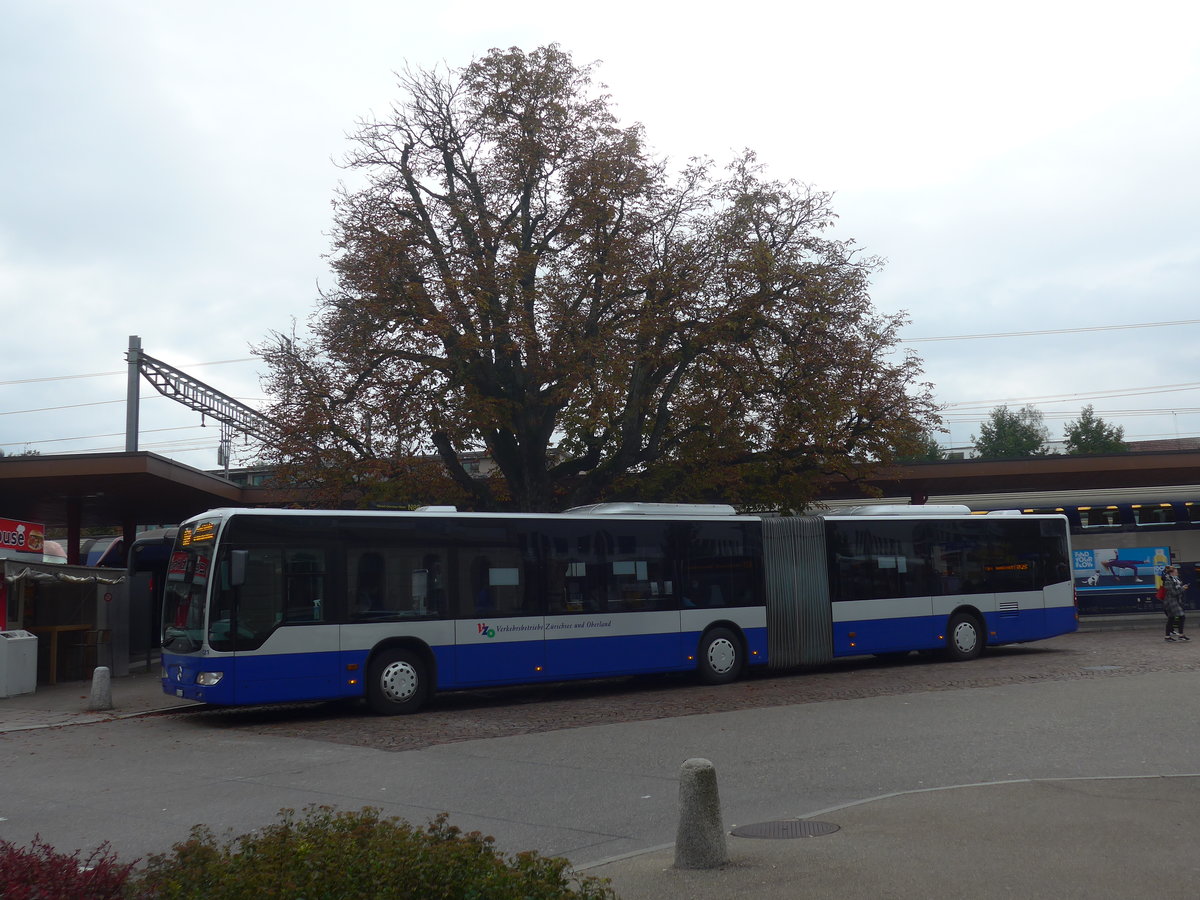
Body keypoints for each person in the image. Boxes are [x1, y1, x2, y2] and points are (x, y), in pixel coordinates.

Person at [1162, 565, 1190, 641]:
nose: (1177, 572)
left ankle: (1168, 637)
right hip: (1171, 601)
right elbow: (1174, 593)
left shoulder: (1176, 580)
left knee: (1171, 618)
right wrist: (1183, 588)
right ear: (1172, 572)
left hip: (1175, 601)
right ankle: (1180, 635)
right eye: (1176, 571)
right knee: (1182, 616)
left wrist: (1182, 587)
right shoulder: (1168, 581)